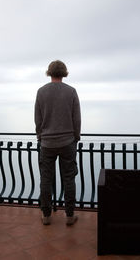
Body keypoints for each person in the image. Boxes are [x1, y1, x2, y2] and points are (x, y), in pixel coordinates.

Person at [34, 60, 81, 226]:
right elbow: (76, 118)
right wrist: (76, 137)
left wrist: (40, 136)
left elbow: (38, 119)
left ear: (49, 72)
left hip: (47, 143)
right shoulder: (71, 92)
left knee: (46, 179)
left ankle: (46, 215)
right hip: (68, 142)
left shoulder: (41, 92)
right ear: (64, 73)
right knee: (69, 178)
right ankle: (69, 215)